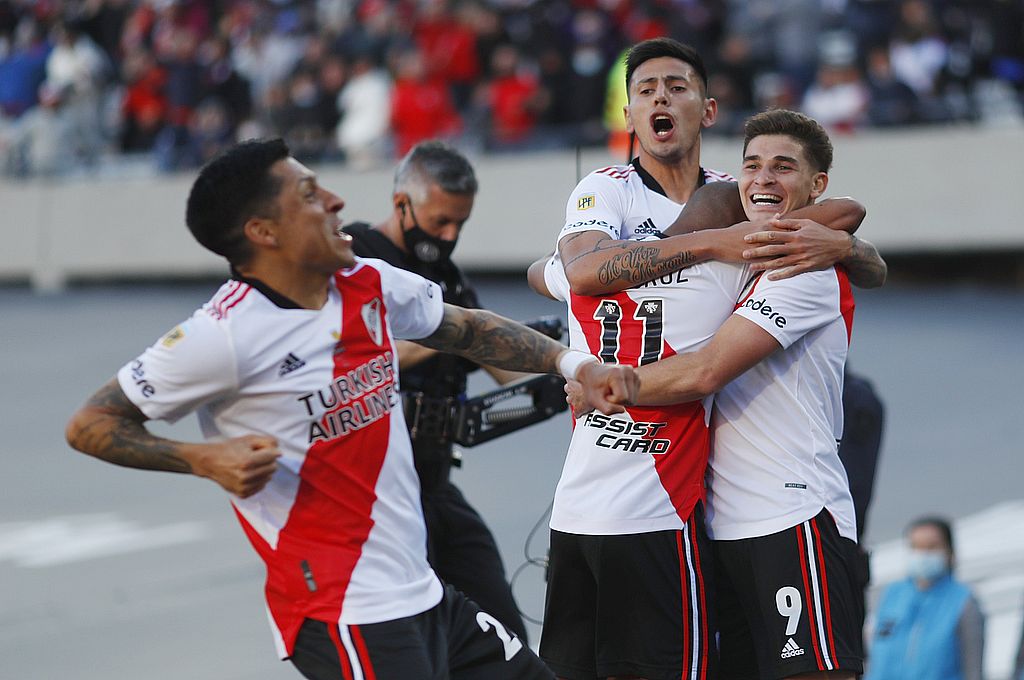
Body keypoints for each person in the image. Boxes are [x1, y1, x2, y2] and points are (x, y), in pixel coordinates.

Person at [64, 138, 639, 680]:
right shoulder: (222, 335)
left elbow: (466, 329)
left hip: (424, 591)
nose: (336, 200)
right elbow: (90, 424)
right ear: (263, 231)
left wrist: (574, 365)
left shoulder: (364, 280)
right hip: (344, 610)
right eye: (309, 195)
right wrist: (202, 458)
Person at [531, 37, 883, 680]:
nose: (660, 99)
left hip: (767, 507)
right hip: (696, 516)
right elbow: (561, 272)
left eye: (677, 87)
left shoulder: (752, 216)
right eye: (645, 91)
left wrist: (850, 248)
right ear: (629, 115)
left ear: (708, 109)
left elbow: (845, 215)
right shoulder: (610, 190)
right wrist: (708, 244)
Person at [342, 140, 528, 641]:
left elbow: (503, 363)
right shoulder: (354, 260)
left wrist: (576, 366)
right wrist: (450, 332)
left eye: (459, 225)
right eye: (440, 221)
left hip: (436, 481)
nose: (449, 236)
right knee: (418, 641)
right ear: (402, 203)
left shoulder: (447, 278)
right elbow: (350, 358)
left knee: (504, 631)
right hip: (380, 493)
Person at [865, 517, 984, 680]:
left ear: (949, 552)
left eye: (931, 547)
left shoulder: (963, 601)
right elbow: (874, 655)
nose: (922, 554)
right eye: (916, 547)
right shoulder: (892, 594)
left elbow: (973, 669)